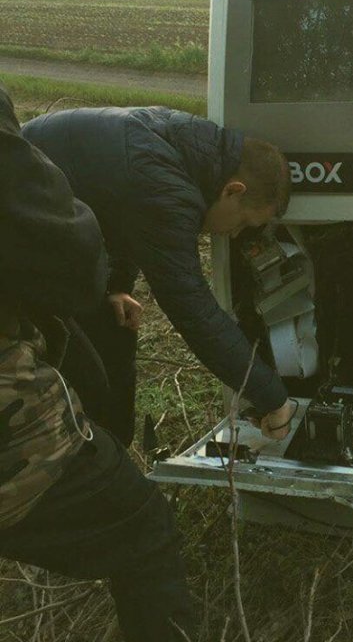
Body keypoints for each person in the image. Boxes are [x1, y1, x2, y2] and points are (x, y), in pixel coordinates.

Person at [0, 84, 259, 642]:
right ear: (233, 193)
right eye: (248, 224)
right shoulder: (166, 176)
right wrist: (267, 394)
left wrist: (107, 286)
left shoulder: (162, 146)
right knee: (143, 526)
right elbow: (65, 250)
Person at [22, 106, 294, 447]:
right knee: (86, 381)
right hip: (20, 246)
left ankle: (111, 458)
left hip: (42, 231)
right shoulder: (169, 190)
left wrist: (116, 284)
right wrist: (273, 398)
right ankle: (84, 469)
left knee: (113, 338)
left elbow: (118, 207)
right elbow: (193, 311)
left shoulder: (188, 143)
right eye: (243, 222)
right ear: (233, 190)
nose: (236, 234)